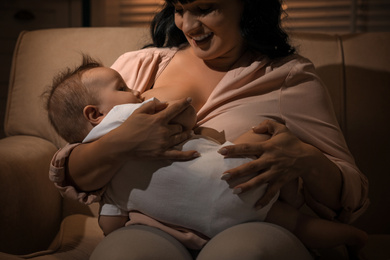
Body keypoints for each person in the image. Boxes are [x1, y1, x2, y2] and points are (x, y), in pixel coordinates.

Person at [49, 0, 370, 259]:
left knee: (242, 253)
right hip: (152, 227)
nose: (187, 25)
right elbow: (77, 164)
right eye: (179, 8)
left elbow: (349, 196)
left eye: (204, 9)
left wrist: (305, 158)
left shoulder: (288, 77)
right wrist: (123, 141)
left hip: (248, 224)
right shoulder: (138, 66)